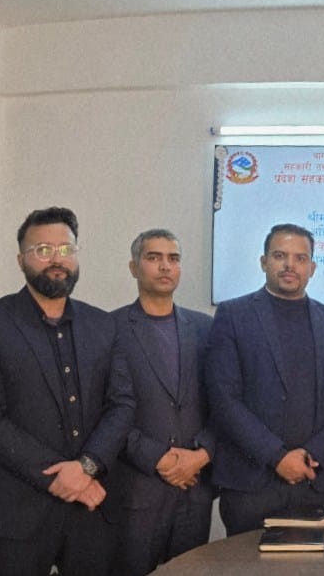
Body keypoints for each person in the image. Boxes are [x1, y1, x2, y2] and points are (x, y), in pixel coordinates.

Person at [0, 207, 134, 575]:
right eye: (42, 250)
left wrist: (87, 466)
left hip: (92, 509)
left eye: (66, 249)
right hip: (17, 512)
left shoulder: (102, 324)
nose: (56, 259)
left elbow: (122, 405)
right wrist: (60, 477)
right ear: (20, 260)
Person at [207, 223, 324, 535]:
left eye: (300, 258)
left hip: (311, 479)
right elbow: (224, 399)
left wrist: (311, 454)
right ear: (264, 262)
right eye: (280, 256)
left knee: (307, 561)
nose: (290, 265)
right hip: (250, 482)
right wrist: (276, 457)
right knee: (245, 561)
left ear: (312, 268)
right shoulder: (233, 315)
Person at [111, 229, 214, 575]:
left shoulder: (205, 328)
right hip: (137, 490)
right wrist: (158, 458)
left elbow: (225, 403)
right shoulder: (109, 329)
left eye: (173, 258)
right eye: (153, 257)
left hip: (195, 488)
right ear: (133, 267)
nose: (165, 266)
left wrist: (202, 455)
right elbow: (104, 410)